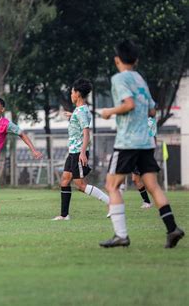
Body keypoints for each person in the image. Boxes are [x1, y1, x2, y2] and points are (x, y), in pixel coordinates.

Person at [100, 40, 184, 248]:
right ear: (136, 60)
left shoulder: (119, 79)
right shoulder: (139, 78)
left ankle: (121, 235)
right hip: (146, 141)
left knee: (111, 185)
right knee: (153, 186)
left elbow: (129, 104)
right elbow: (152, 110)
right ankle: (172, 228)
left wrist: (109, 112)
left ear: (117, 59)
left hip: (128, 142)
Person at [52, 79, 109, 221]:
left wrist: (83, 152)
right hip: (72, 152)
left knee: (80, 185)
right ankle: (64, 215)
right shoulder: (79, 111)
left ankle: (111, 202)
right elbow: (80, 120)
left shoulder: (81, 111)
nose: (71, 95)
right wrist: (73, 116)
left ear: (77, 94)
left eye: (72, 92)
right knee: (65, 181)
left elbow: (86, 133)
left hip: (78, 152)